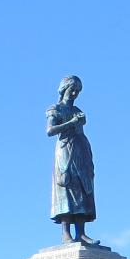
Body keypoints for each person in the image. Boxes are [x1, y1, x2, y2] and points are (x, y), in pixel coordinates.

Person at [46, 74, 99, 245]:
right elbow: (50, 130)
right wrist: (71, 123)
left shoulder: (77, 111)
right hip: (65, 150)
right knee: (66, 186)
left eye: (78, 91)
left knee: (82, 187)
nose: (75, 93)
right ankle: (66, 233)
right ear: (64, 89)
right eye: (72, 89)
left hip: (80, 150)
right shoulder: (55, 109)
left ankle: (81, 233)